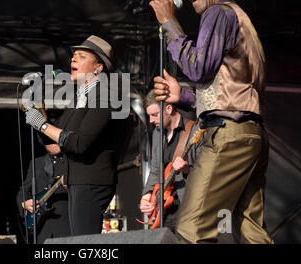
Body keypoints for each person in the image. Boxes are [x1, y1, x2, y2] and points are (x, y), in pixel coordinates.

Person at [149, 0, 273, 243]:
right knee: (252, 231)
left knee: (193, 228)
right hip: (250, 134)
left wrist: (169, 23)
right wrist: (184, 96)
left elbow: (199, 67)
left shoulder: (219, 13)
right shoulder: (241, 20)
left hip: (228, 137)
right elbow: (228, 88)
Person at [24, 35, 119, 236]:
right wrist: (38, 109)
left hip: (92, 181)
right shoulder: (80, 97)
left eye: (81, 56)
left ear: (98, 68)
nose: (73, 60)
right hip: (77, 180)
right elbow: (59, 139)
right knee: (78, 239)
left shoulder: (105, 95)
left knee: (85, 242)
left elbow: (78, 142)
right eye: (73, 56)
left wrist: (41, 125)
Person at [139, 90, 200, 229]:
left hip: (188, 204)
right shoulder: (157, 133)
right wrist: (146, 197)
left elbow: (207, 172)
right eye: (149, 116)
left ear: (169, 108)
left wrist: (186, 169)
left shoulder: (193, 130)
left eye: (155, 115)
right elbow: (155, 170)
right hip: (164, 209)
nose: (151, 121)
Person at [16, 143, 70, 244]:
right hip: (42, 227)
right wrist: (25, 203)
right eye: (50, 141)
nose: (55, 144)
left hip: (66, 224)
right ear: (43, 143)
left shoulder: (71, 162)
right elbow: (23, 191)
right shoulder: (37, 163)